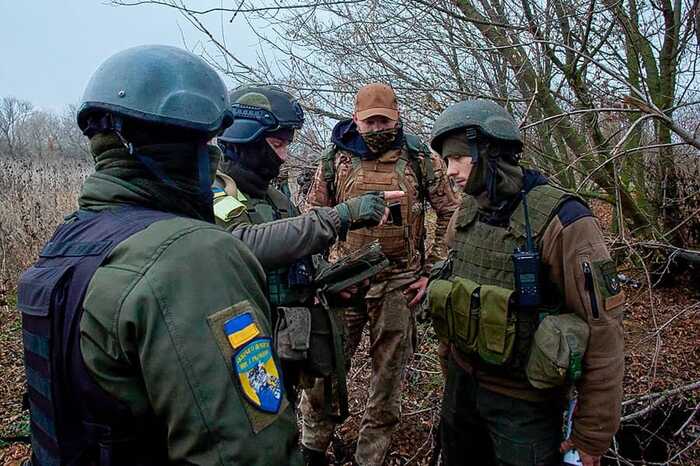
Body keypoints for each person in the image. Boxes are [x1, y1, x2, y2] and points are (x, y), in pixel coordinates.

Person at [17, 45, 303, 465]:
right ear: (188, 147)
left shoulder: (65, 243)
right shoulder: (194, 256)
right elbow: (248, 453)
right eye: (207, 141)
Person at [426, 99, 624, 466]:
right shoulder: (467, 212)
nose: (449, 172)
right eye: (445, 160)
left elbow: (604, 332)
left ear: (490, 150)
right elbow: (456, 292)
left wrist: (591, 435)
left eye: (457, 158)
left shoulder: (564, 220)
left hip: (525, 405)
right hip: (462, 390)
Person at [212, 85, 401, 415]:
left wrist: (336, 283)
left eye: (287, 145)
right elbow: (244, 243)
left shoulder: (276, 199)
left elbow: (300, 258)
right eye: (277, 145)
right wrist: (340, 216)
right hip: (236, 350)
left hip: (281, 345)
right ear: (245, 139)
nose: (284, 156)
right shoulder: (212, 190)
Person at [300, 83, 460, 465]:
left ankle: (369, 456)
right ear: (356, 119)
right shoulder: (334, 159)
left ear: (397, 117)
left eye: (384, 121)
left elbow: (451, 213)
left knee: (388, 379)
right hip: (343, 282)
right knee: (324, 370)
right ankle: (312, 447)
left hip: (399, 284)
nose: (376, 128)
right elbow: (312, 219)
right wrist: (317, 273)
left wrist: (433, 272)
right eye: (369, 121)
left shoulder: (420, 157)